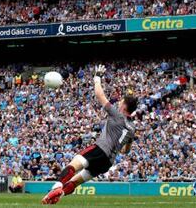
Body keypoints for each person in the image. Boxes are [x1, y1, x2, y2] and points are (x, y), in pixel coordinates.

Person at [42, 65, 137, 205]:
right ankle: (60, 194)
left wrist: (97, 77)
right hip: (107, 163)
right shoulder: (132, 129)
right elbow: (126, 150)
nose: (120, 103)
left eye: (121, 101)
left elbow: (100, 95)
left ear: (124, 106)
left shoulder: (117, 115)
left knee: (74, 165)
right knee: (76, 181)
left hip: (99, 150)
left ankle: (56, 187)